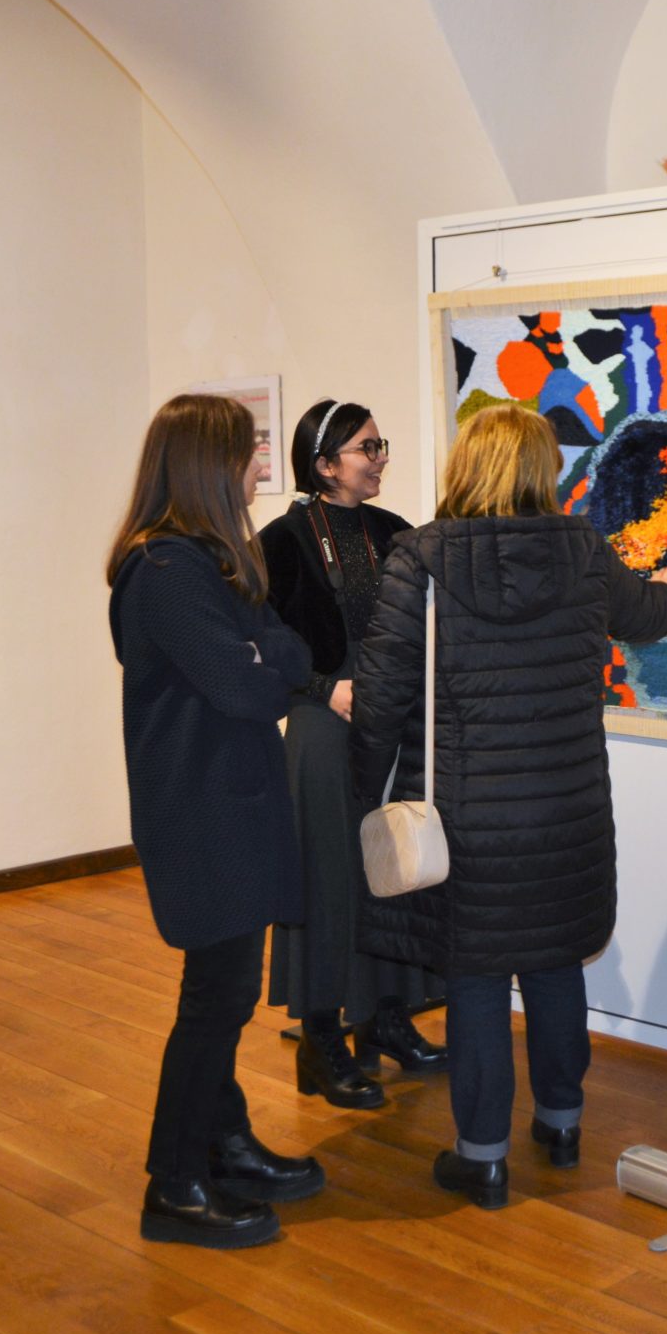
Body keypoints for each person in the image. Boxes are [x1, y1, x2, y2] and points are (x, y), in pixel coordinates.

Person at [350, 403, 667, 1210]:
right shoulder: (583, 551)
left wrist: (363, 791)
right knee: (553, 960)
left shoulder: (418, 559)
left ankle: (483, 1157)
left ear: (465, 465)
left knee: (475, 979)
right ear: (544, 468)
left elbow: (379, 698)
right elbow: (645, 615)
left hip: (465, 819)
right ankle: (562, 1122)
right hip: (566, 814)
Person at [108, 392, 321, 1249]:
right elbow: (249, 686)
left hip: (233, 802)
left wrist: (267, 655)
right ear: (209, 465)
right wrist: (265, 659)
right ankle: (174, 1182)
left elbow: (291, 648)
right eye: (249, 449)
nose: (261, 463)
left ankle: (223, 1144)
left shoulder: (213, 561)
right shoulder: (166, 570)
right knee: (217, 997)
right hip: (201, 812)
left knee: (227, 992)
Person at [257, 399, 446, 1111]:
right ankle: (320, 1038)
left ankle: (387, 1018)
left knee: (395, 877)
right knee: (329, 882)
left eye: (380, 444)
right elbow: (257, 644)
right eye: (368, 447)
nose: (380, 457)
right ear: (325, 464)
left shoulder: (394, 532)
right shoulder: (279, 542)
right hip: (322, 729)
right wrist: (321, 688)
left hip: (390, 727)